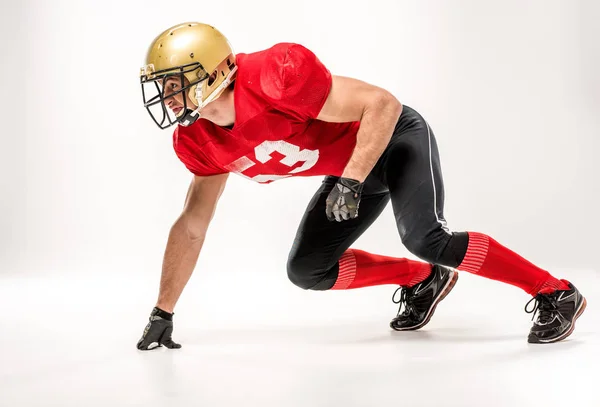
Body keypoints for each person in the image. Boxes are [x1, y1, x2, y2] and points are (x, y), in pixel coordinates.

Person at [136, 22, 586, 350]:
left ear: (216, 72)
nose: (168, 97)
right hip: (351, 172)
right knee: (307, 270)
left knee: (425, 236)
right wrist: (164, 310)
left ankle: (555, 290)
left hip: (392, 139)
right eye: (162, 86)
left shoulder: (275, 76)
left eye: (175, 84)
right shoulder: (198, 139)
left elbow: (381, 104)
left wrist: (351, 180)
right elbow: (193, 224)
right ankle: (425, 280)